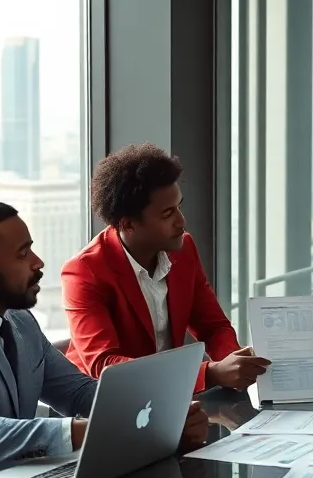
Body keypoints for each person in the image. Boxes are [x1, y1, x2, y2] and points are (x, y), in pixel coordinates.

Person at [0, 198, 209, 478]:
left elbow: (78, 392)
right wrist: (98, 431)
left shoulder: (19, 320)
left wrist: (163, 414)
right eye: (22, 254)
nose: (38, 263)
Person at [62, 143, 269, 393]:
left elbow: (213, 327)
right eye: (168, 213)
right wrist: (210, 374)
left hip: (170, 394)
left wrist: (234, 363)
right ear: (128, 225)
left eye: (179, 206)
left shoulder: (184, 249)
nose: (181, 221)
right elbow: (105, 365)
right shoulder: (84, 272)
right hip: (106, 400)